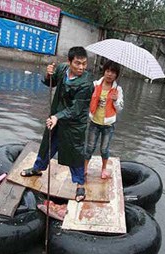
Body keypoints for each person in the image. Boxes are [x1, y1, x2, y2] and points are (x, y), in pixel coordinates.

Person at [21, 46, 94, 202]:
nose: (81, 67)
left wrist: (58, 117)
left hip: (74, 124)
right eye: (77, 63)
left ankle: (80, 184)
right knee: (47, 144)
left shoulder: (87, 84)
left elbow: (76, 109)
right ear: (69, 62)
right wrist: (49, 74)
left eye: (84, 64)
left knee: (75, 153)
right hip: (56, 116)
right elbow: (51, 83)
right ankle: (37, 168)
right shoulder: (62, 69)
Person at [84, 61, 124, 179]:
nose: (109, 74)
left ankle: (104, 169)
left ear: (116, 75)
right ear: (104, 71)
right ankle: (85, 168)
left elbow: (120, 109)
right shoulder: (95, 85)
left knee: (104, 148)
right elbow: (87, 99)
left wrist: (116, 100)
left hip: (108, 124)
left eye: (113, 72)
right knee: (90, 147)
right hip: (94, 122)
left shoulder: (118, 90)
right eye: (107, 71)